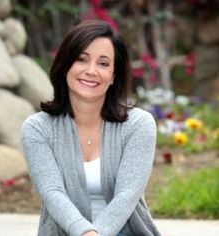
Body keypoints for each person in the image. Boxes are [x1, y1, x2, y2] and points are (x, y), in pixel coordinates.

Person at [21, 20, 161, 236]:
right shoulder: (37, 129)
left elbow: (127, 195)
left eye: (104, 64)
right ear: (66, 65)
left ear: (114, 76)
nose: (91, 71)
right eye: (82, 59)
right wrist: (85, 232)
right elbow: (52, 193)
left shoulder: (139, 125)